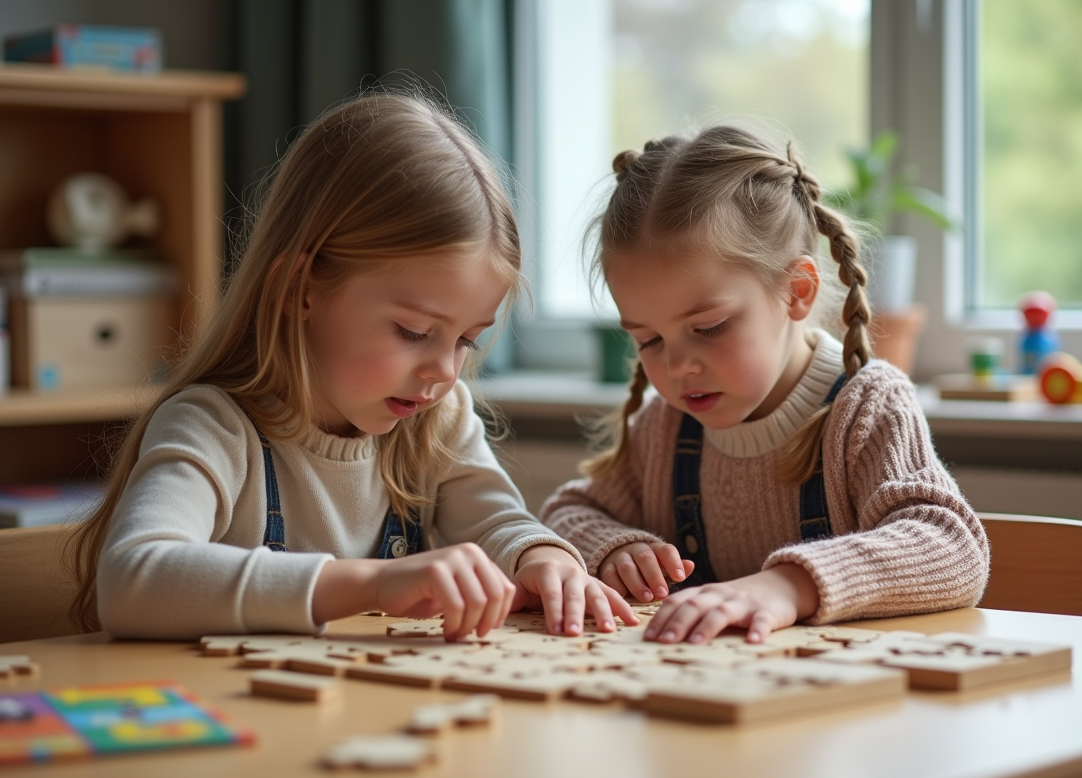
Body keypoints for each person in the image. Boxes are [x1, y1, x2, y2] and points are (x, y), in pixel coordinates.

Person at [67, 92, 636, 642]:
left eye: (467, 339)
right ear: (300, 288)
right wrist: (374, 582)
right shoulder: (212, 426)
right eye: (414, 332)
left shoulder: (438, 419)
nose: (444, 371)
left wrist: (541, 556)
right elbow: (132, 579)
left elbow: (496, 525)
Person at [541, 125, 988, 645]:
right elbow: (566, 513)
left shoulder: (866, 405)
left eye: (707, 328)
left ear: (796, 290)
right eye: (649, 340)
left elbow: (952, 547)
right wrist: (616, 549)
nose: (679, 366)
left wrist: (786, 587)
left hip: (842, 707)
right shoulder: (667, 426)